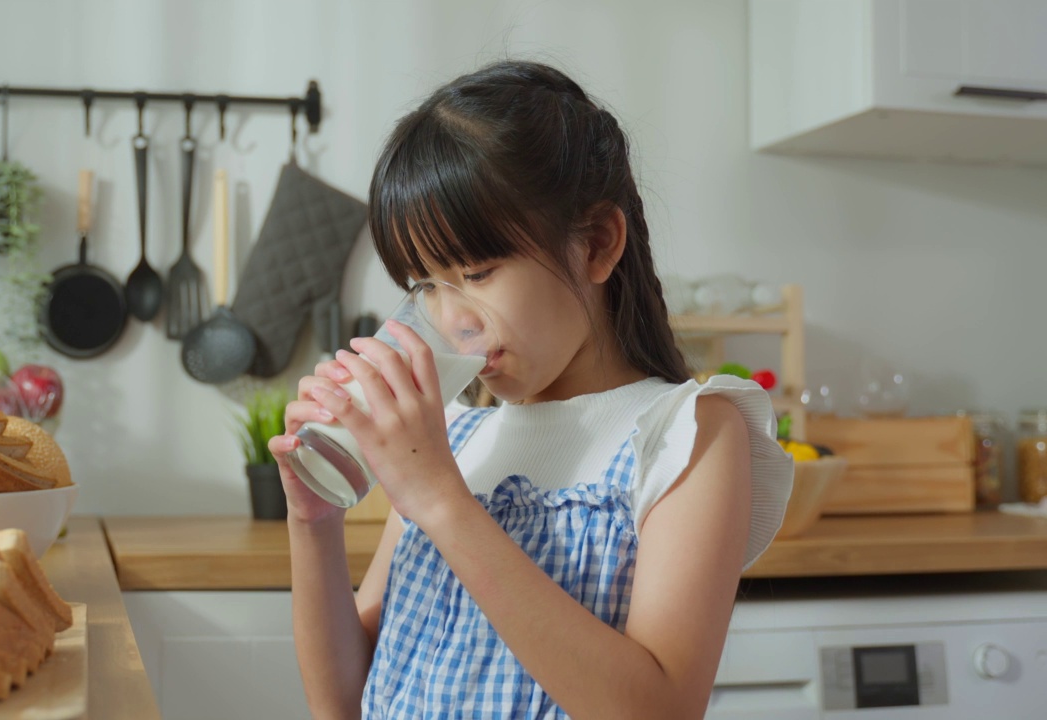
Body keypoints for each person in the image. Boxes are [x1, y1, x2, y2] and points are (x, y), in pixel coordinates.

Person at [268, 60, 793, 719]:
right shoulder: (456, 435)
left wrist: (441, 499)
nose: (451, 317)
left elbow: (656, 710)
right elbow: (343, 703)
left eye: (477, 271)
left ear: (597, 244)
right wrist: (312, 522)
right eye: (425, 285)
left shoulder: (688, 432)